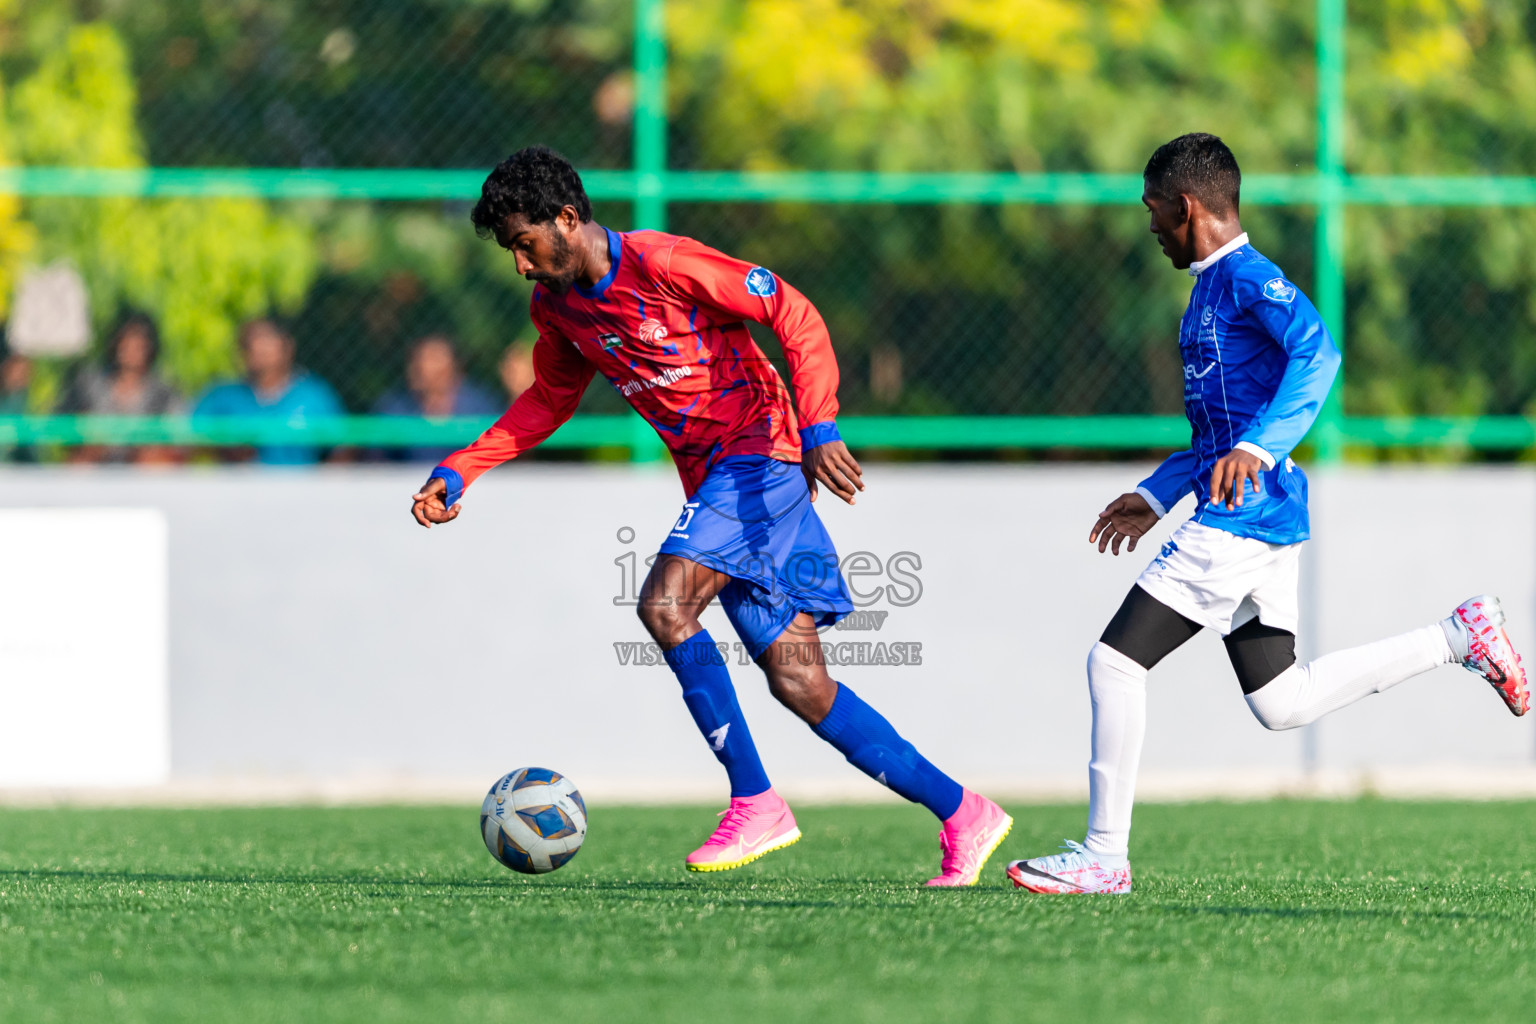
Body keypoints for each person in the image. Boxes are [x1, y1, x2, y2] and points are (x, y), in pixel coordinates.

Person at [411, 146, 1012, 885]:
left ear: (568, 219)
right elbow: (549, 398)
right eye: (512, 251)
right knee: (800, 682)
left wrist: (820, 424)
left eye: (525, 244)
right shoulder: (558, 309)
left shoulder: (665, 264)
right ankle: (963, 813)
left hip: (763, 454)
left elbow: (793, 310)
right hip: (720, 484)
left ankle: (756, 800)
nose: (521, 265)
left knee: (664, 605)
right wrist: (460, 468)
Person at [1007, 133, 1529, 896]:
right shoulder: (1207, 292)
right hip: (1257, 513)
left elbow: (1319, 356)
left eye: (1153, 211)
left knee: (1115, 662)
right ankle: (1458, 636)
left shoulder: (1250, 279)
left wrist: (1257, 447)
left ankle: (1103, 856)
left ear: (1185, 207)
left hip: (1241, 520)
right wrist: (1156, 494)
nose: (1149, 226)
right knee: (1281, 702)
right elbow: (1218, 437)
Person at [194, 318, 343, 465]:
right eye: (249, 343)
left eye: (265, 341)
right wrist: (223, 446)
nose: (257, 348)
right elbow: (189, 440)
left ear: (287, 347)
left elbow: (342, 450)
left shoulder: (315, 396)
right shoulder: (223, 396)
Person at [59, 313, 183, 464]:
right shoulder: (90, 385)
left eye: (139, 345)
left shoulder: (164, 393)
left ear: (150, 348)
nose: (132, 350)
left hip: (143, 471)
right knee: (79, 465)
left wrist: (152, 446)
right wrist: (86, 434)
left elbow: (180, 442)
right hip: (98, 467)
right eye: (126, 342)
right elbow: (63, 427)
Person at [373, 334, 501, 463]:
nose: (419, 367)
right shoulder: (396, 408)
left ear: (452, 366)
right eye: (416, 360)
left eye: (432, 359)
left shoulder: (479, 407)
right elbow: (375, 459)